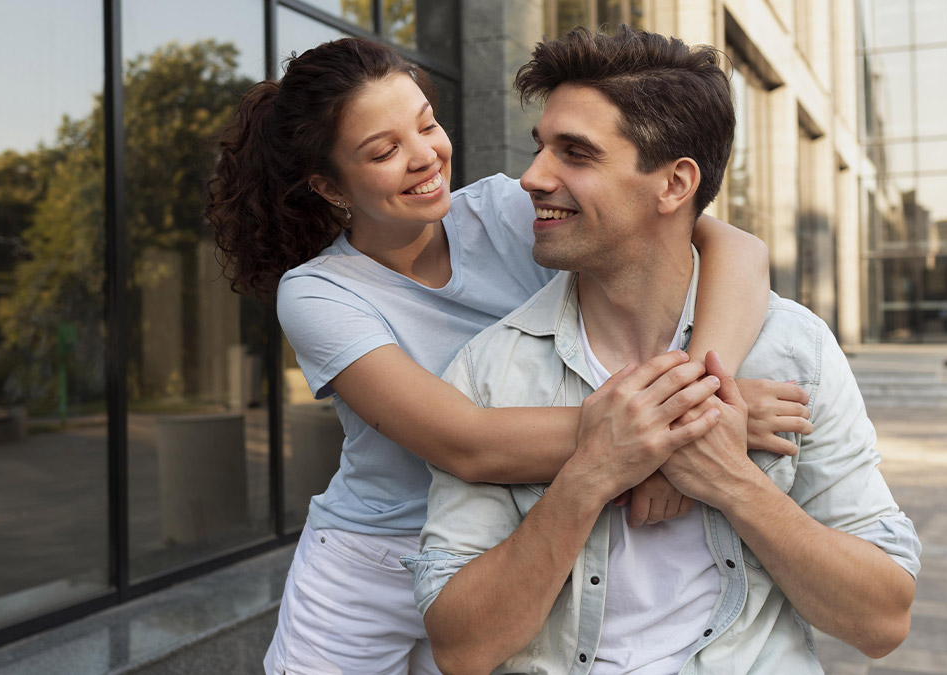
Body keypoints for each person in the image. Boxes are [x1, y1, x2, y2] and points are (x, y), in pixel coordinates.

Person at [206, 37, 811, 674]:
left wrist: (703, 393)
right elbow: (467, 442)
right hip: (373, 565)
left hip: (505, 546)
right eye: (384, 151)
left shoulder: (502, 208)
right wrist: (675, 428)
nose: (424, 157)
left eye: (426, 125)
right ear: (331, 186)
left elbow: (734, 247)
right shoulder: (318, 292)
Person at [405, 26, 922, 675]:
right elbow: (461, 647)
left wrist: (730, 479)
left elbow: (882, 620)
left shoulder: (793, 350)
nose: (532, 177)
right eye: (540, 148)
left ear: (675, 185)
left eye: (576, 153)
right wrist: (592, 472)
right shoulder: (490, 369)